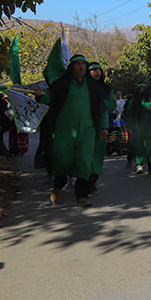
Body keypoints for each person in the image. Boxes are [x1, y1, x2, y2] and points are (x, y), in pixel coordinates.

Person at [37, 55, 108, 207]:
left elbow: (101, 109)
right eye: (77, 64)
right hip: (65, 131)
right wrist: (42, 95)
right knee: (62, 160)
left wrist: (104, 127)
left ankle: (81, 196)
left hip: (87, 132)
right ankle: (58, 184)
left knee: (84, 163)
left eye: (83, 64)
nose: (81, 67)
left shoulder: (92, 87)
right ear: (71, 67)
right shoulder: (63, 83)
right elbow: (50, 96)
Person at [87, 62, 116, 190]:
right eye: (93, 70)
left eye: (99, 70)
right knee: (85, 154)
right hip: (85, 125)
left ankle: (92, 181)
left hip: (101, 126)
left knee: (97, 156)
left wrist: (99, 101)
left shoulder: (106, 89)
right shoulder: (83, 87)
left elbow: (112, 104)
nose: (97, 72)